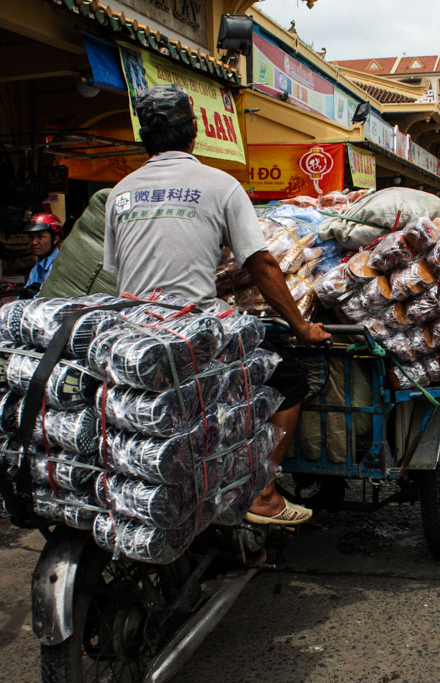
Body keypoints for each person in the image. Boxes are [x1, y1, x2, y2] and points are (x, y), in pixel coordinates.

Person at [103, 84, 330, 525]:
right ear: (194, 132)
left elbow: (120, 273)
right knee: (289, 380)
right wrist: (302, 326)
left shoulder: (120, 192)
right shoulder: (221, 185)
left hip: (132, 334)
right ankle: (263, 492)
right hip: (192, 332)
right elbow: (262, 264)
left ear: (144, 137)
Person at [23, 212, 64, 293]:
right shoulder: (38, 266)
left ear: (55, 239)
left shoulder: (61, 266)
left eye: (40, 237)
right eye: (32, 237)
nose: (34, 242)